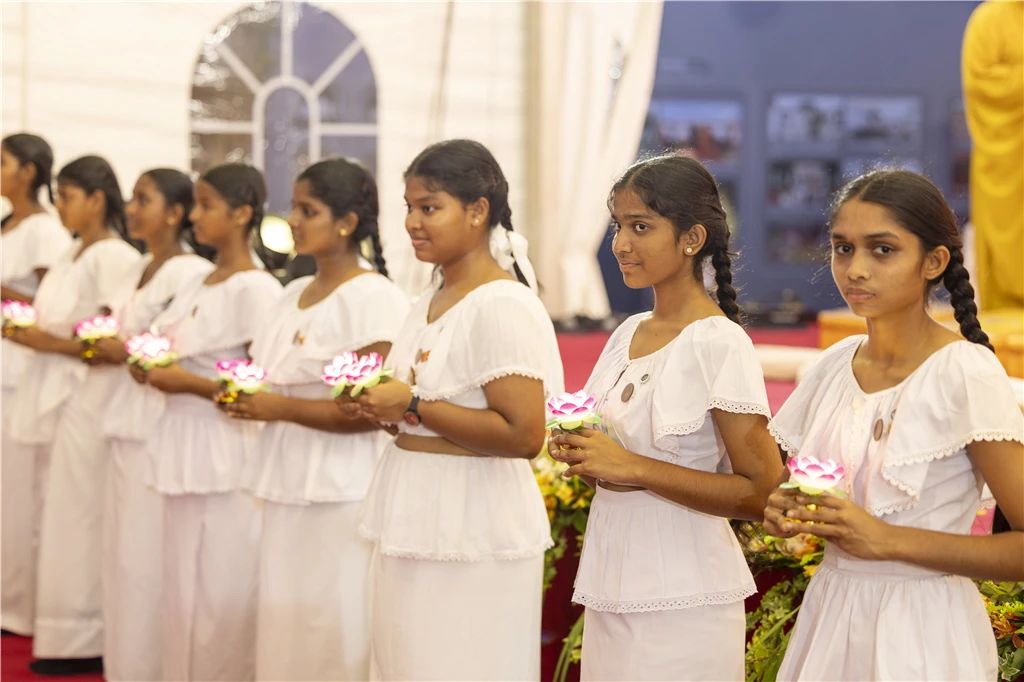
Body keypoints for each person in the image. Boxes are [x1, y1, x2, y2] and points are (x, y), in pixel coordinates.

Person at [763, 169, 1024, 681]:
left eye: (882, 250)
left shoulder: (964, 371)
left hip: (924, 630)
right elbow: (798, 492)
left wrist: (888, 539)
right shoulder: (833, 365)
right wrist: (785, 509)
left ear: (934, 261)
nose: (855, 269)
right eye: (843, 248)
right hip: (831, 615)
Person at [550, 154, 783, 681]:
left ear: (691, 238)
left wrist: (631, 467)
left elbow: (760, 490)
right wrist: (582, 453)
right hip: (612, 584)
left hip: (686, 596)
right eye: (618, 226)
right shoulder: (626, 333)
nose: (620, 244)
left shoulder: (718, 341)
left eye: (641, 226)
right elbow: (609, 454)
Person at [356, 140, 563, 680]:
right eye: (408, 207)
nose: (412, 223)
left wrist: (415, 404)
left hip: (473, 516)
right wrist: (382, 405)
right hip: (413, 498)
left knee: (460, 660)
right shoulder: (426, 301)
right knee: (406, 659)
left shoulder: (503, 303)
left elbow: (523, 435)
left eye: (429, 207)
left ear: (478, 211)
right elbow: (414, 400)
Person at [223, 158, 408, 681]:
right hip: (283, 473)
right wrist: (244, 395)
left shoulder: (374, 298)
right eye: (294, 208)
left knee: (333, 618)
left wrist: (276, 408)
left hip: (342, 484)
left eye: (310, 210)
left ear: (347, 221)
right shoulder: (289, 294)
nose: (295, 220)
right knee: (285, 614)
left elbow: (372, 409)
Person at [141, 163, 281, 681]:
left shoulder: (257, 289)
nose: (194, 216)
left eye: (206, 205)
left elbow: (261, 386)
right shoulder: (200, 280)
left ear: (242, 213)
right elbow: (165, 344)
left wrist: (188, 384)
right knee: (180, 587)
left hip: (225, 447)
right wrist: (148, 362)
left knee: (222, 587)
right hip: (180, 438)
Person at [8, 155, 141, 674]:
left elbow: (105, 339)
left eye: (66, 197)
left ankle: (85, 632)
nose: (59, 206)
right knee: (52, 509)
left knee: (80, 513)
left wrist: (40, 340)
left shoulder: (112, 256)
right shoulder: (70, 254)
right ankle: (55, 625)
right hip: (58, 391)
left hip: (91, 394)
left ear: (96, 200)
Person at [90, 168, 214, 681]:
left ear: (176, 212)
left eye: (144, 199)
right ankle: (123, 664)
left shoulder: (185, 271)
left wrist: (128, 348)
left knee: (145, 560)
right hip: (122, 417)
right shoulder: (141, 265)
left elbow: (178, 344)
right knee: (121, 557)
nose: (132, 207)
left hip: (155, 424)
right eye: (132, 198)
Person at [0, 132, 71, 638]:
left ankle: (18, 606)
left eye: (2, 162)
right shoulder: (8, 224)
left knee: (17, 490)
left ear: (28, 171)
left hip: (19, 368)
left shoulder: (45, 230)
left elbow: (51, 299)